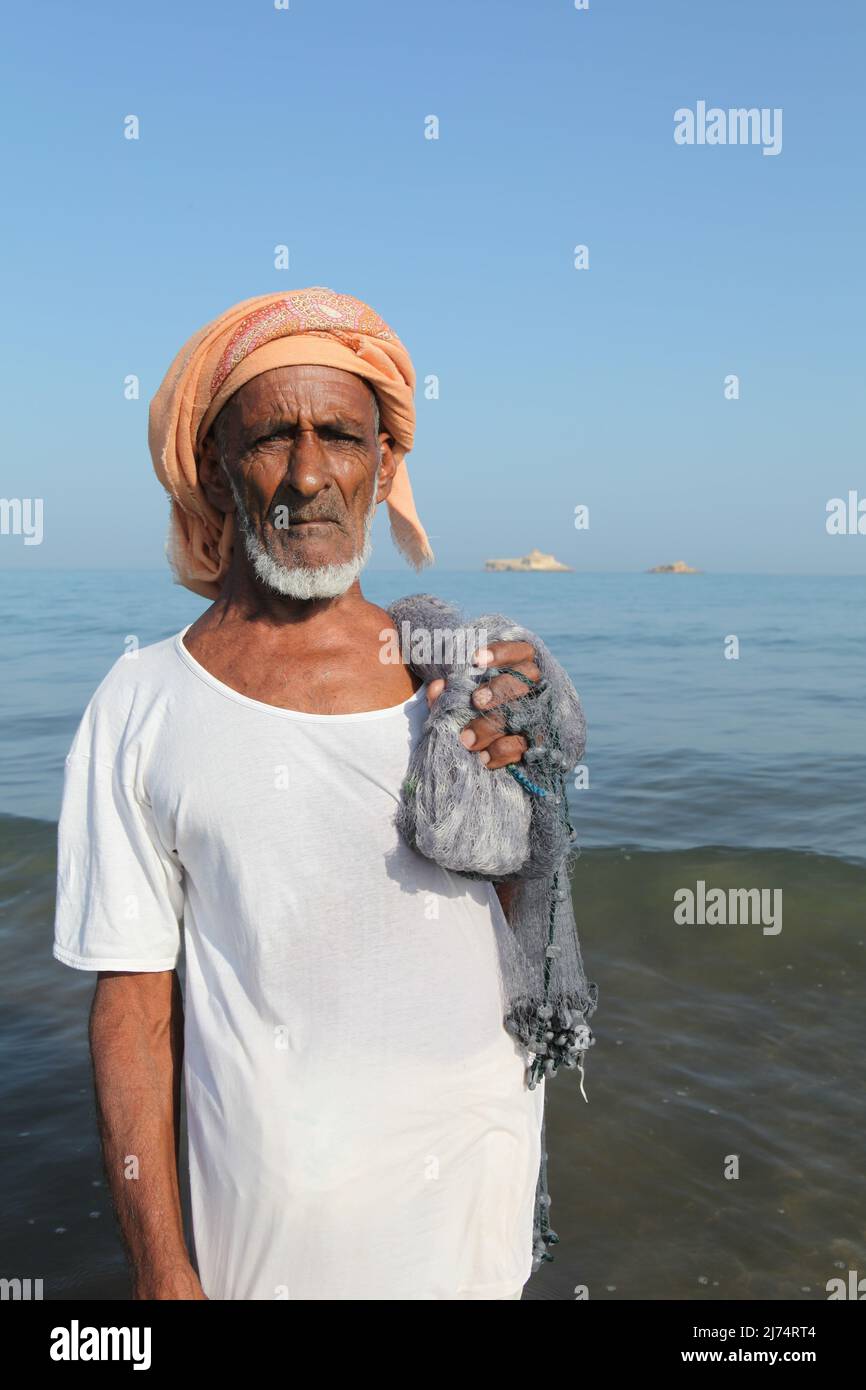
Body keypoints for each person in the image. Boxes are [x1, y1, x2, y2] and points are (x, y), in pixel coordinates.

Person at [53, 287, 548, 1300]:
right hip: (274, 1232)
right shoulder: (142, 702)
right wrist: (160, 1268)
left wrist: (524, 769)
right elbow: (134, 1005)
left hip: (475, 1194)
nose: (308, 472)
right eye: (273, 434)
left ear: (384, 464)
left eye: (341, 435)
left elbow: (514, 927)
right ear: (215, 468)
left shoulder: (455, 678)